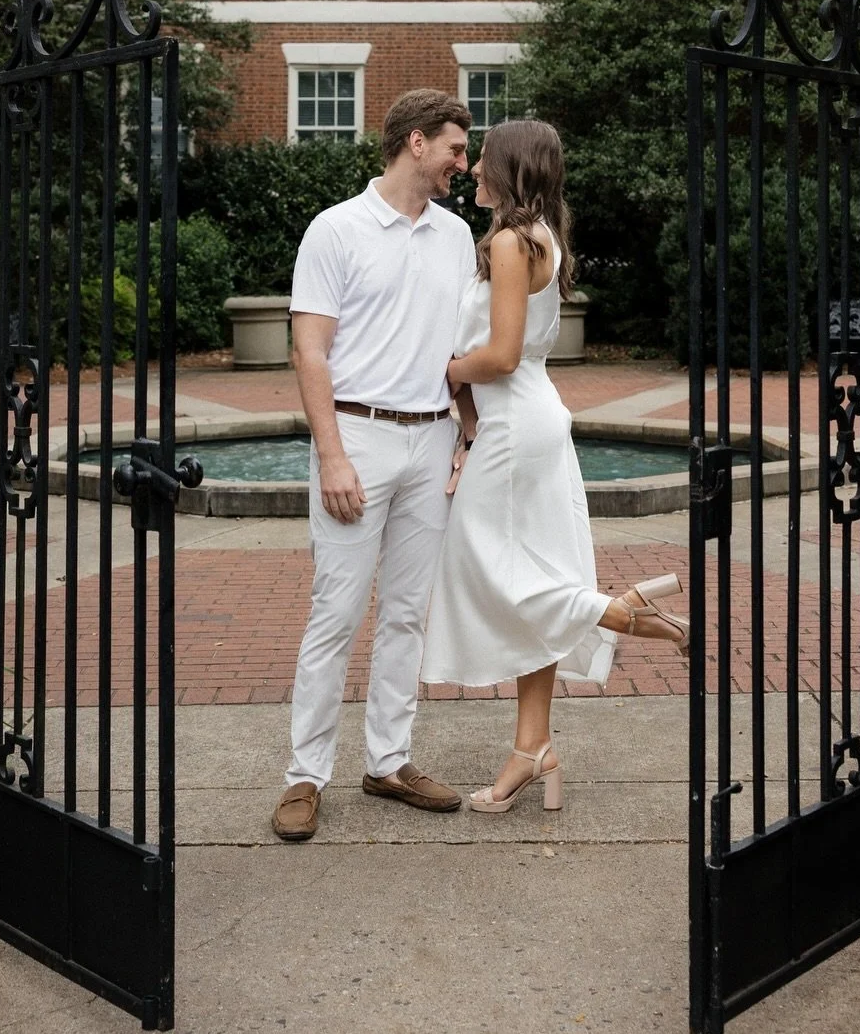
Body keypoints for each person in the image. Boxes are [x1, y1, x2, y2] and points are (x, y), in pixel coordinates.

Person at [420, 118, 687, 814]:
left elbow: (500, 356)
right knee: (531, 570)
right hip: (534, 417)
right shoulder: (543, 237)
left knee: (485, 568)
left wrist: (446, 371)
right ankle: (532, 750)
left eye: (482, 161)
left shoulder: (510, 242)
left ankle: (619, 611)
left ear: (509, 169)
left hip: (514, 423)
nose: (473, 169)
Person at [271, 88, 477, 843]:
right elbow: (310, 350)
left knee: (405, 615)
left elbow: (459, 352)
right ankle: (304, 775)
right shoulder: (336, 229)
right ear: (416, 143)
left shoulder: (457, 236)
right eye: (456, 146)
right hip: (357, 439)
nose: (465, 160)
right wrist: (331, 455)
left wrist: (466, 437)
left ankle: (389, 761)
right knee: (335, 614)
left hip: (431, 443)